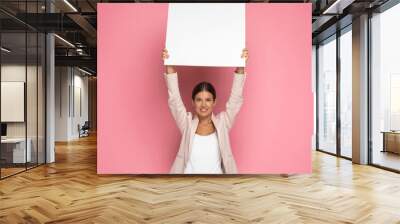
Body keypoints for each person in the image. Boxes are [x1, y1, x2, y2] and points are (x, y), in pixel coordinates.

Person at [162, 48, 248, 174]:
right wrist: (169, 63)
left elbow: (235, 100)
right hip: (188, 188)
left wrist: (241, 65)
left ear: (214, 102)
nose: (203, 104)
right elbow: (175, 99)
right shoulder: (187, 125)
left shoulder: (223, 123)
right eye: (198, 100)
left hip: (217, 189)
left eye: (208, 100)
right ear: (193, 102)